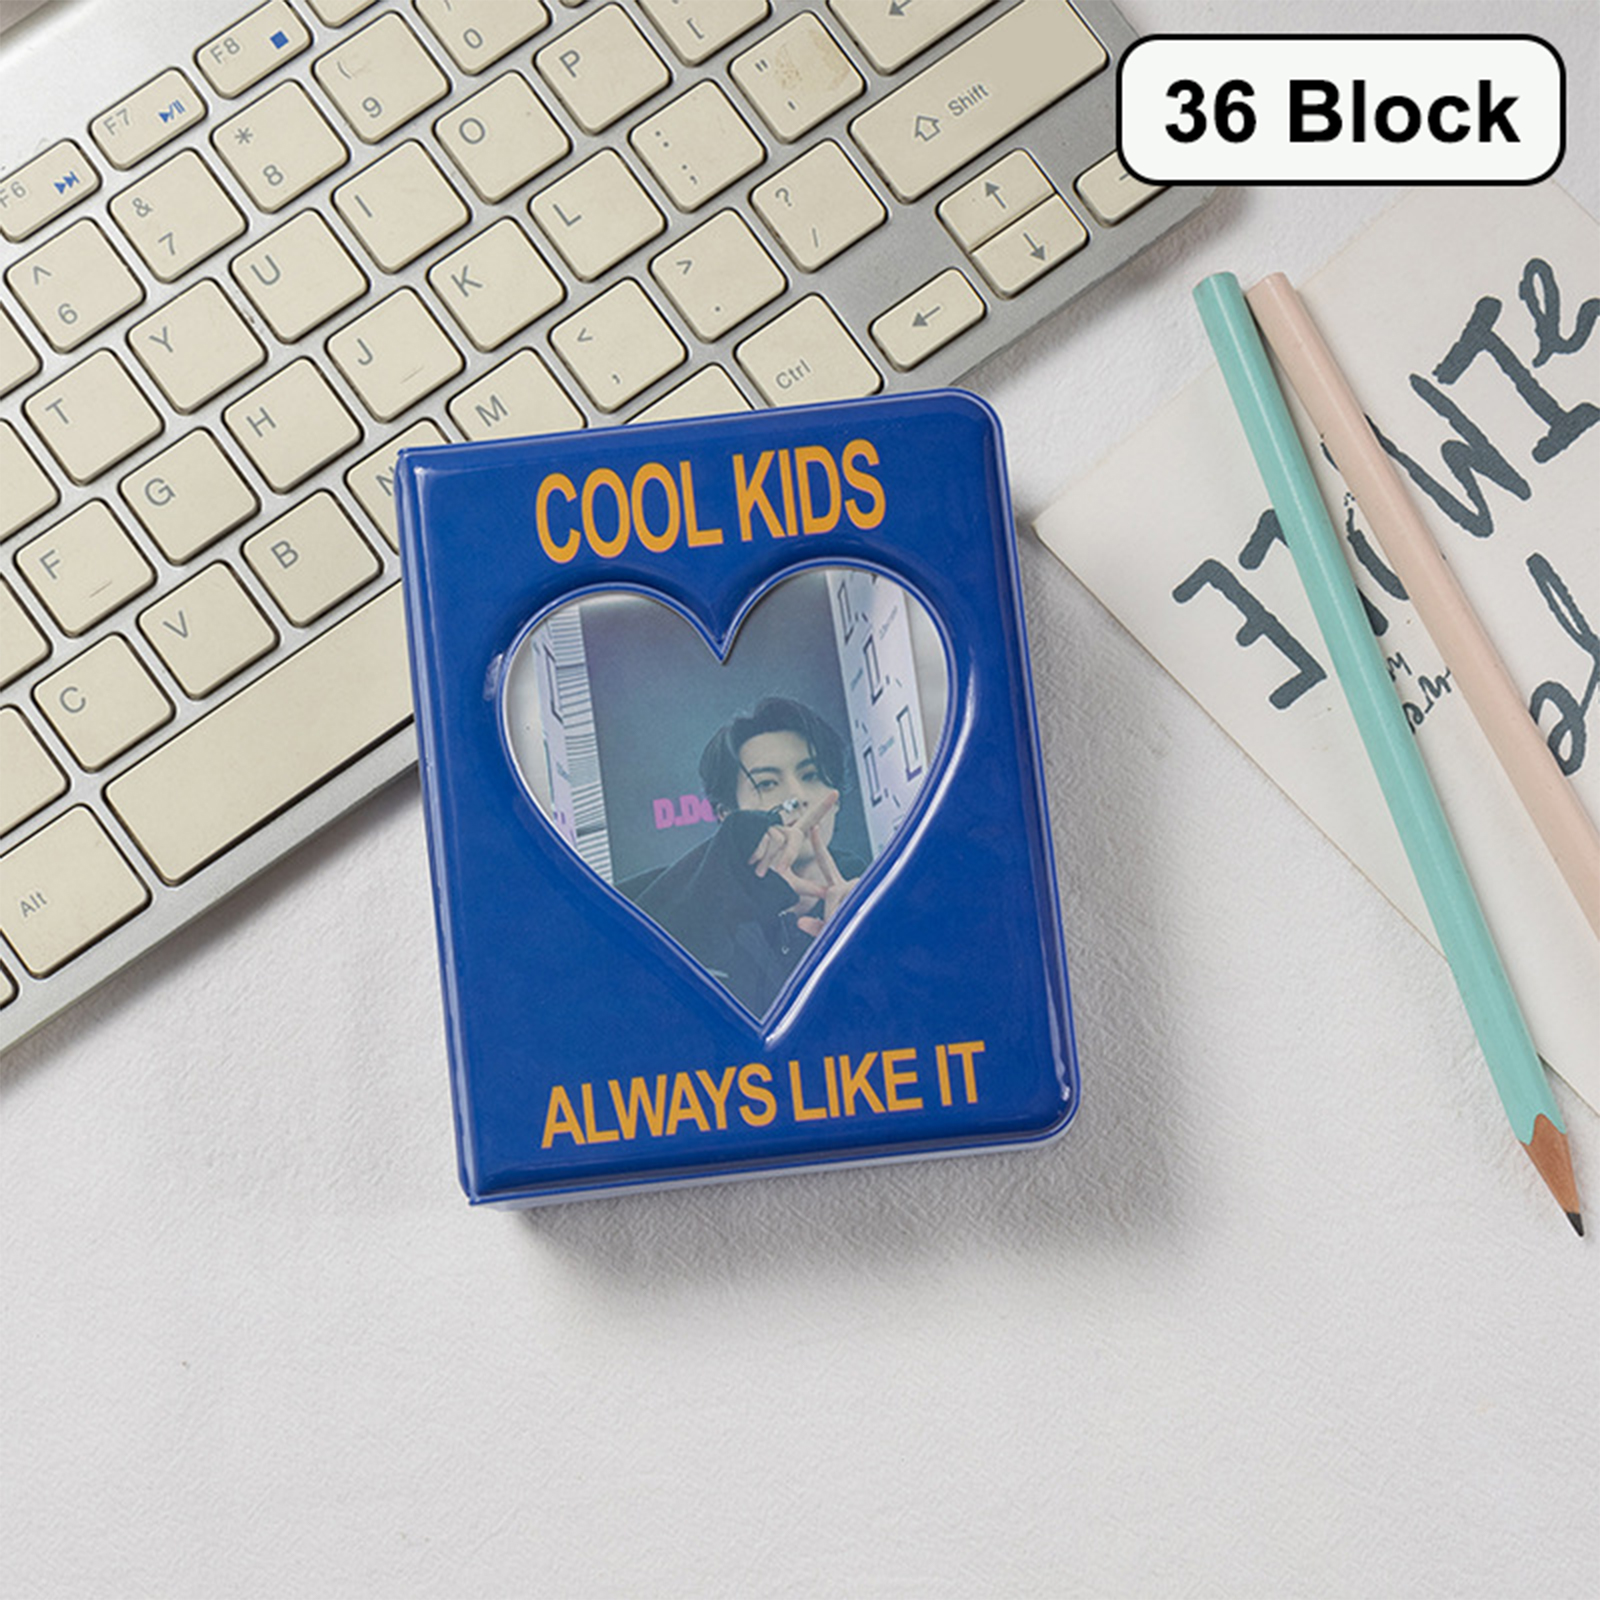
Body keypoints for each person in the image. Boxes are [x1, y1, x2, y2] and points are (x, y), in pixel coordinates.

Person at [620, 697, 864, 1014]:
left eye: (811, 775)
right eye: (767, 783)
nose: (797, 796)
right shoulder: (686, 901)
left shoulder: (878, 894)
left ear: (837, 799)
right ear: (727, 814)